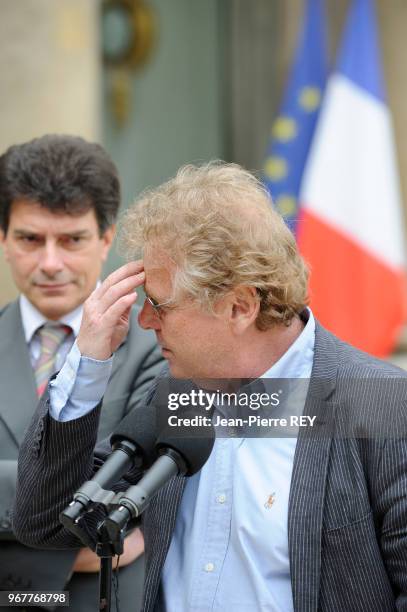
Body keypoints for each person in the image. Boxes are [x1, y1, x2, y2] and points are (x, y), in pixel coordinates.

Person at [13, 162, 407, 611]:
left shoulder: (381, 406)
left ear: (239, 306)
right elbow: (46, 523)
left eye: (160, 305)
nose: (144, 321)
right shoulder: (178, 395)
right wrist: (87, 367)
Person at [0, 135, 164, 612]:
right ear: (4, 238)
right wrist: (68, 541)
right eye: (31, 239)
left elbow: (135, 487)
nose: (51, 263)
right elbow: (99, 505)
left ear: (106, 238)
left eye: (72, 239)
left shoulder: (160, 344)